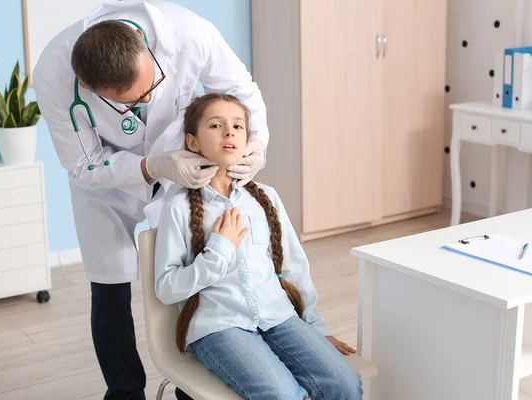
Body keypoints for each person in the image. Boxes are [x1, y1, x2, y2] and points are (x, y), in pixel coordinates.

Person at [33, 2, 268, 399]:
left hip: (183, 166)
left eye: (151, 88)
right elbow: (82, 163)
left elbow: (240, 90)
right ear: (89, 88)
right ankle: (125, 392)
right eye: (131, 101)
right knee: (109, 290)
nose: (145, 103)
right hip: (105, 186)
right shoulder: (53, 74)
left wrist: (258, 141)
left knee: (194, 272)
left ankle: (190, 386)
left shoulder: (188, 33)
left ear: (143, 44)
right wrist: (152, 166)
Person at [154, 93, 363, 400]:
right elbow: (166, 287)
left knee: (344, 384)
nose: (229, 132)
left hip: (279, 316)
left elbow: (294, 266)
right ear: (193, 142)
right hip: (220, 327)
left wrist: (316, 329)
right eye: (216, 125)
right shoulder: (178, 209)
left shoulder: (265, 197)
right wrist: (219, 251)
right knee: (282, 395)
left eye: (238, 126)